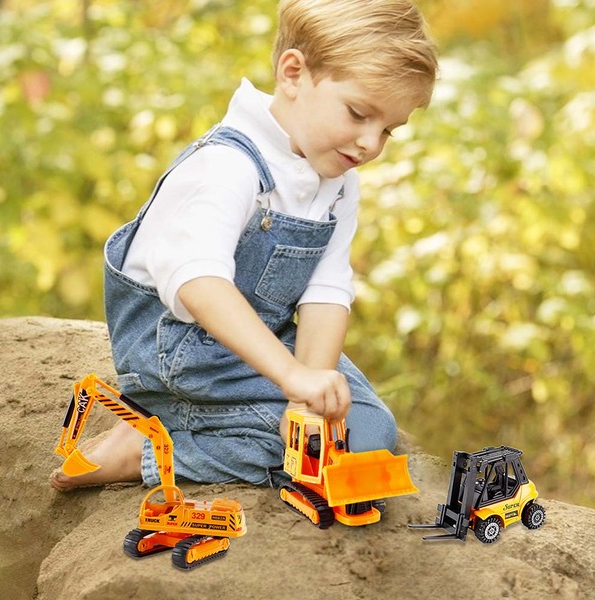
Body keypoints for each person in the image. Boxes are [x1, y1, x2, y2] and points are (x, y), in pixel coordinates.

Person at [51, 0, 438, 491]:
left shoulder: (338, 182)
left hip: (262, 346)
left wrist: (305, 399)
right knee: (290, 446)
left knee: (364, 434)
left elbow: (326, 292)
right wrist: (290, 376)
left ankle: (221, 427)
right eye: (358, 114)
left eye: (387, 130)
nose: (370, 144)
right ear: (293, 74)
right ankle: (145, 448)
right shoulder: (226, 166)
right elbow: (199, 283)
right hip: (180, 356)